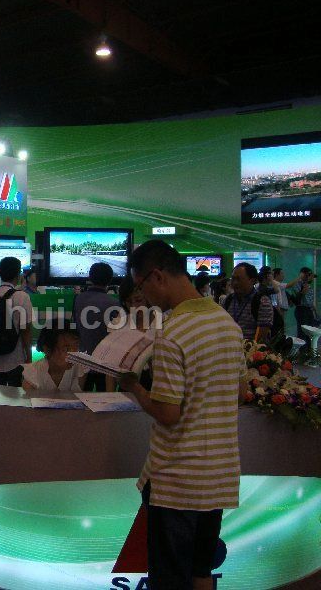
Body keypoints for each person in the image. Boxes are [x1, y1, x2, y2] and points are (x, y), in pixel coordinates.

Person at [118, 240, 245, 590]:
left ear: (157, 276)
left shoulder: (173, 333)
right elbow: (240, 393)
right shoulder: (227, 323)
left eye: (141, 286)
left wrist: (134, 386)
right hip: (217, 476)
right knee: (201, 572)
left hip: (176, 481)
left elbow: (168, 413)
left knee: (170, 579)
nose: (143, 297)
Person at [0, 257, 33, 387]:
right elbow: (26, 331)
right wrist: (29, 357)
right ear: (18, 275)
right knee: (16, 397)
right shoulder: (22, 297)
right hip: (15, 360)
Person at [73, 262, 120, 391]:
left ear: (90, 276)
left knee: (81, 397)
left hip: (83, 359)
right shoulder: (114, 303)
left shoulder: (79, 299)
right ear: (110, 279)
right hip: (105, 362)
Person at [21, 326, 85, 396]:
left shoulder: (78, 367)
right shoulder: (32, 375)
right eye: (66, 349)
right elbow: (30, 400)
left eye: (76, 347)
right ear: (47, 350)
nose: (73, 355)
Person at [224, 262, 273, 342]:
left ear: (252, 280)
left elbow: (261, 338)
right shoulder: (228, 300)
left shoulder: (262, 302)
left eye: (239, 279)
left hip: (251, 348)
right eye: (233, 278)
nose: (235, 283)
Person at [294, 267, 319, 344]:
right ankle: (302, 349)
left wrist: (315, 312)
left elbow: (310, 301)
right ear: (304, 275)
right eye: (309, 275)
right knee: (302, 333)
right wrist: (306, 282)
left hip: (309, 310)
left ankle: (309, 349)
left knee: (310, 332)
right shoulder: (298, 284)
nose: (311, 278)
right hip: (302, 310)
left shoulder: (309, 285)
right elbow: (302, 295)